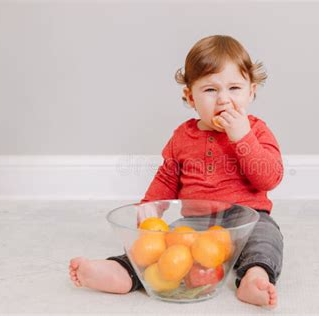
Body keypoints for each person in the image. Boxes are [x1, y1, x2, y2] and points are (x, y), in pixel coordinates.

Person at [69, 35, 284, 308]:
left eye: (234, 88)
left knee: (266, 240)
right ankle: (122, 271)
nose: (224, 100)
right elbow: (167, 176)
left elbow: (269, 177)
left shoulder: (256, 130)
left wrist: (242, 137)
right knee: (161, 246)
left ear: (251, 92)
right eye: (210, 90)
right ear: (190, 96)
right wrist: (150, 206)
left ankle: (254, 277)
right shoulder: (183, 136)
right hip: (195, 224)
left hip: (248, 219)